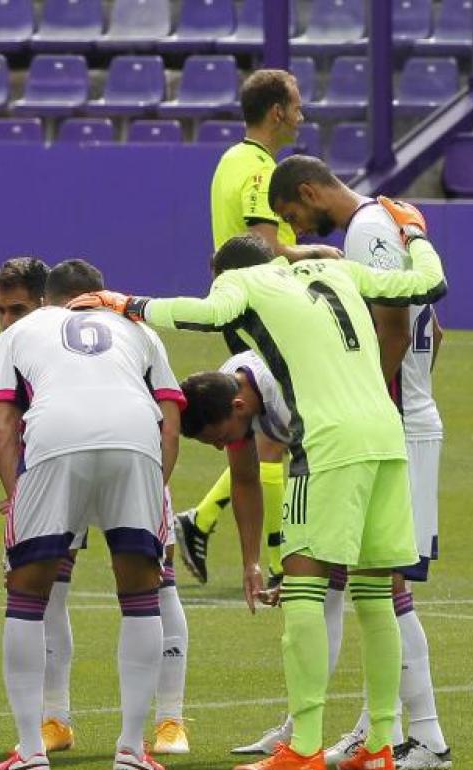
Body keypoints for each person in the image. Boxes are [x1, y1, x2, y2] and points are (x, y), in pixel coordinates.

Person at [68, 199, 447, 770]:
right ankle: (380, 747)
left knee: (303, 592)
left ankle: (304, 747)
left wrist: (127, 304)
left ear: (230, 272)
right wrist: (414, 232)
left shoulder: (245, 283)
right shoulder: (339, 269)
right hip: (387, 438)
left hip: (327, 443)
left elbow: (199, 313)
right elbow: (429, 282)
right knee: (375, 596)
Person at [260, 156, 451, 770]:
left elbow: (392, 326)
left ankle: (424, 739)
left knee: (387, 585)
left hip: (389, 422)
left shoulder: (367, 229)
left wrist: (369, 393)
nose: (296, 226)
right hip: (404, 416)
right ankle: (381, 731)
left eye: (294, 214)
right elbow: (434, 333)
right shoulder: (387, 225)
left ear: (310, 191)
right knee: (374, 580)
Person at [0, 259, 184, 770]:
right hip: (136, 436)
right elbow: (170, 415)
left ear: (46, 300)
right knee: (142, 593)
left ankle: (30, 751)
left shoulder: (21, 329)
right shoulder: (135, 326)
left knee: (28, 594)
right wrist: (152, 486)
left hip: (55, 437)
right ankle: (131, 750)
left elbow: (2, 420)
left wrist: (17, 491)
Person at [183, 68, 344, 583]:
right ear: (277, 111)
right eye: (296, 104)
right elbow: (267, 244)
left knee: (265, 435)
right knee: (270, 437)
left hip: (241, 304)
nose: (301, 113)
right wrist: (319, 251)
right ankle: (279, 562)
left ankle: (207, 523)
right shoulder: (257, 169)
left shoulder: (232, 159)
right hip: (260, 310)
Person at [0, 258, 77, 754]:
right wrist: (17, 485)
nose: (7, 320)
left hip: (80, 471)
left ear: (44, 301)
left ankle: (166, 719)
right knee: (47, 595)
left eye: (17, 309)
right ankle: (53, 718)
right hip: (37, 485)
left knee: (148, 586)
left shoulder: (63, 337)